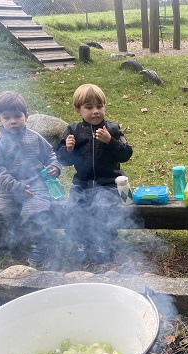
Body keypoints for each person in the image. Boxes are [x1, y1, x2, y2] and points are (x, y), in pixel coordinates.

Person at [0, 91, 62, 267]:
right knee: (2, 213)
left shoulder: (34, 137)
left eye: (18, 116)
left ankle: (40, 244)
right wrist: (16, 187)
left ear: (25, 116)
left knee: (36, 211)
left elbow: (50, 154)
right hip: (7, 188)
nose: (13, 121)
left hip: (35, 184)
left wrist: (55, 167)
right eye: (7, 117)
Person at [56, 83, 133, 264]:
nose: (95, 111)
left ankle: (103, 244)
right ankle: (80, 243)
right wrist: (67, 150)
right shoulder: (73, 130)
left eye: (99, 106)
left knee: (103, 208)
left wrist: (111, 142)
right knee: (73, 209)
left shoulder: (112, 129)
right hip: (82, 184)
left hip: (108, 184)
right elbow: (64, 160)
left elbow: (126, 154)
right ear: (78, 110)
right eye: (89, 107)